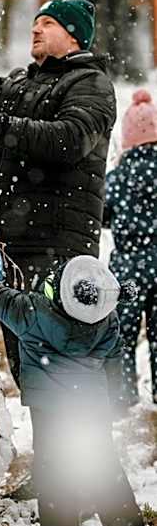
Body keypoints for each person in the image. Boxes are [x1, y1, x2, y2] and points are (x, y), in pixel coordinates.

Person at [0, 0, 116, 388]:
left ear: (74, 36)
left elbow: (68, 139)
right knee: (30, 374)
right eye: (35, 22)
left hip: (57, 250)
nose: (35, 29)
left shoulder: (90, 84)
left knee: (60, 377)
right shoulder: (23, 83)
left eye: (49, 23)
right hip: (11, 249)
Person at [0, 217, 147, 526]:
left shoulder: (33, 313)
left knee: (54, 470)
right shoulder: (105, 321)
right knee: (102, 465)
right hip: (90, 405)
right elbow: (114, 361)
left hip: (50, 408)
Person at [103, 89, 157, 407]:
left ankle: (123, 395)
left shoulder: (118, 177)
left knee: (122, 332)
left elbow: (104, 215)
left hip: (128, 270)